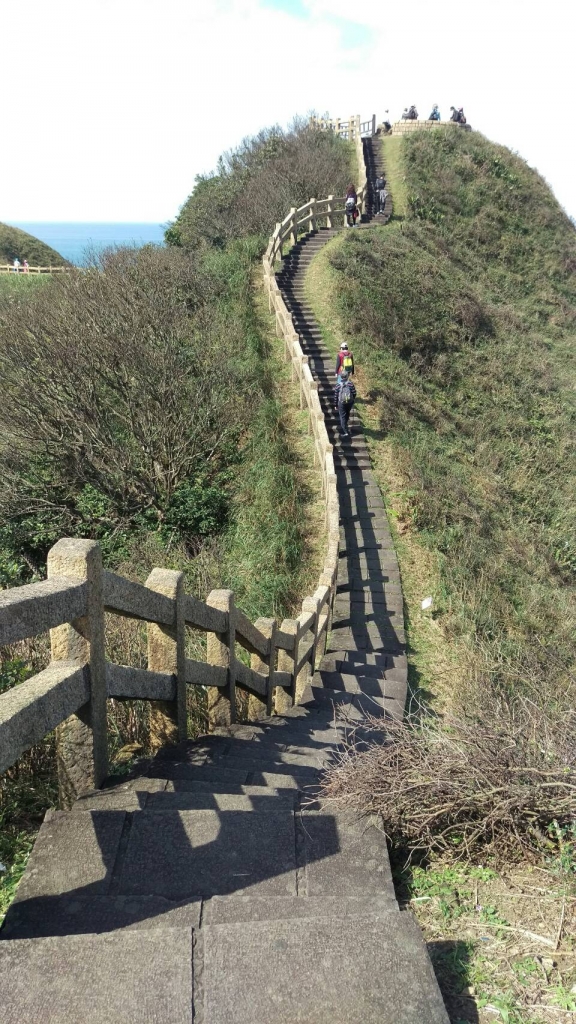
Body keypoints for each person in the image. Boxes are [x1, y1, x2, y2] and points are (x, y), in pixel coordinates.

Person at [334, 371, 356, 438]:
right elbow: (354, 392)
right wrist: (352, 399)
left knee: (342, 416)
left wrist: (335, 404)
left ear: (340, 376)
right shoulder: (350, 384)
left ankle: (345, 431)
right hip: (349, 402)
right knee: (347, 413)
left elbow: (336, 395)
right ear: (347, 376)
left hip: (341, 403)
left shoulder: (338, 385)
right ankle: (345, 426)